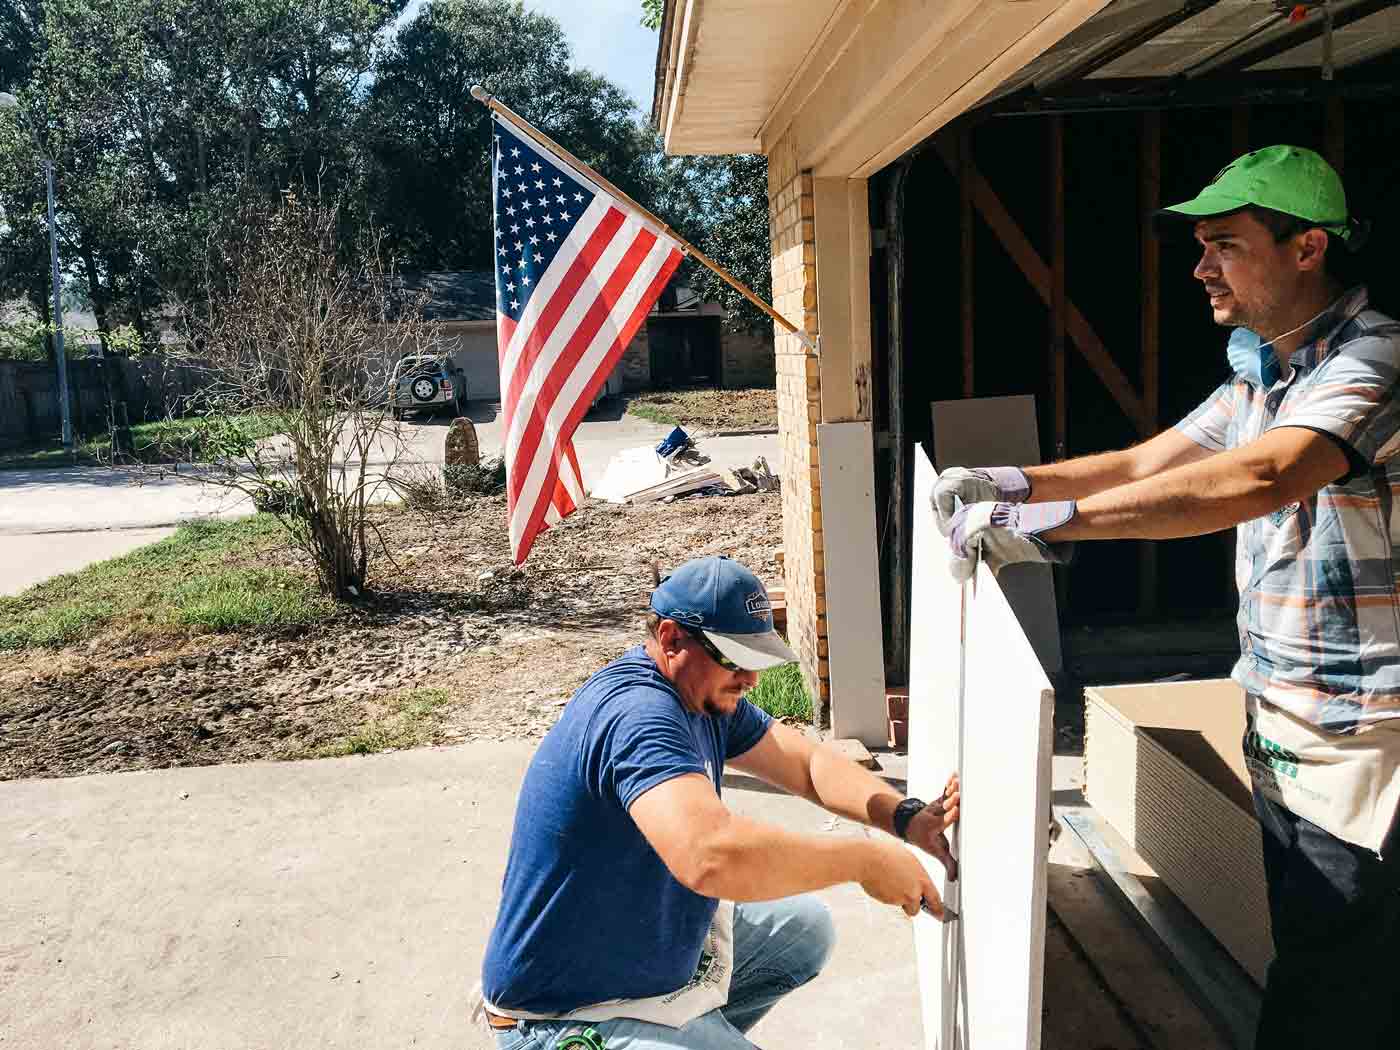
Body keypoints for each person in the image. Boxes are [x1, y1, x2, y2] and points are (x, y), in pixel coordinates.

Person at [934, 144, 1400, 1047]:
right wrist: (1010, 481)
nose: (1199, 267)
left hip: (1363, 730)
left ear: (1307, 249)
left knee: (1334, 984)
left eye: (1224, 243)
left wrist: (1050, 526)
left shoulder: (1376, 357)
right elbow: (1150, 460)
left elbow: (1260, 478)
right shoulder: (1264, 373)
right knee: (1315, 944)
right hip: (1281, 715)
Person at [474, 555, 960, 1049]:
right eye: (736, 658)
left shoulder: (703, 697)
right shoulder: (638, 717)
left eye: (757, 659)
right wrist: (863, 860)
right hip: (563, 1012)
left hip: (635, 954)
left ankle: (688, 1034)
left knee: (803, 931)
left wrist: (902, 816)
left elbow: (808, 765)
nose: (751, 679)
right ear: (670, 638)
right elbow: (709, 855)